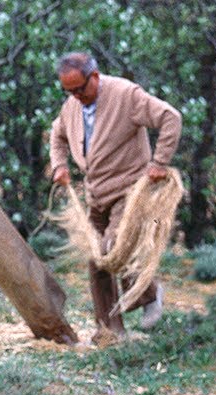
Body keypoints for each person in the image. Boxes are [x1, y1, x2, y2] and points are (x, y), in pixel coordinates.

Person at [49, 52, 182, 340]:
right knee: (95, 259)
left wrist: (159, 163)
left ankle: (150, 293)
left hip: (130, 191)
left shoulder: (126, 94)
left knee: (112, 248)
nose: (75, 96)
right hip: (96, 194)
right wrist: (59, 165)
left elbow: (171, 118)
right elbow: (57, 134)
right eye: (68, 91)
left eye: (79, 89)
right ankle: (110, 330)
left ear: (94, 77)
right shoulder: (72, 106)